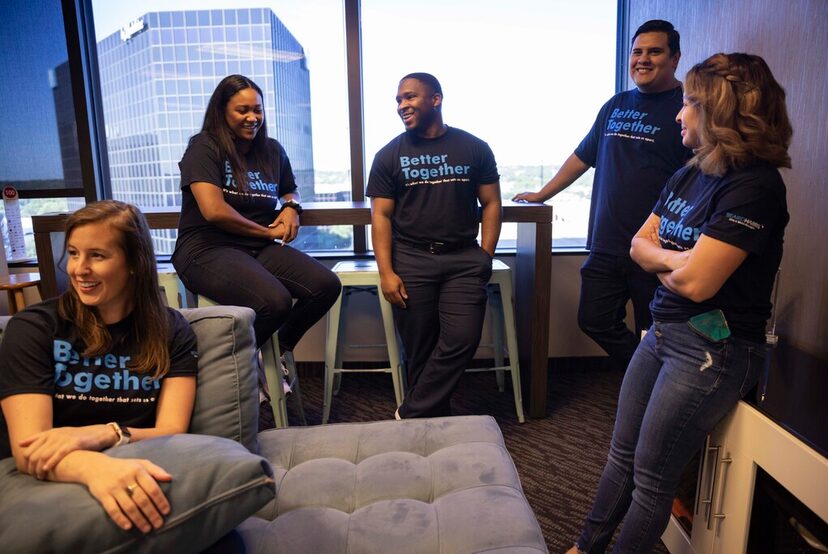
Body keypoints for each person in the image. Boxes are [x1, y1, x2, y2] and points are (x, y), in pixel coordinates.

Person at [569, 52, 792, 553]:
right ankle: (584, 548)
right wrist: (683, 258)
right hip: (663, 331)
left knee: (651, 476)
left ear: (719, 111)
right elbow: (638, 245)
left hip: (715, 349)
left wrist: (673, 263)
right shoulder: (692, 172)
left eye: (689, 103)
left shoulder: (755, 187)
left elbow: (697, 287)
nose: (678, 114)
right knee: (620, 455)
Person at [0, 200, 199, 534]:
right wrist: (95, 468)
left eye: (97, 255)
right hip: (44, 476)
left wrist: (106, 432)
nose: (79, 269)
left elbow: (173, 429)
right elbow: (29, 449)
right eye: (74, 253)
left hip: (135, 463)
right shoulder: (34, 327)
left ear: (135, 262)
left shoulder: (171, 330)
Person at [514, 20, 690, 371]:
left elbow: (698, 180)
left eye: (654, 51)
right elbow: (583, 157)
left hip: (657, 246)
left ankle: (650, 393)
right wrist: (542, 193)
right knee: (593, 318)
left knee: (653, 330)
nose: (643, 59)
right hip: (607, 241)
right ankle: (645, 375)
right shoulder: (616, 105)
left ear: (674, 59)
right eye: (637, 52)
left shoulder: (686, 108)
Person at [172, 75, 341, 387]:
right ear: (222, 111)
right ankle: (231, 373)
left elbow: (290, 189)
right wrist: (266, 233)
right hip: (206, 248)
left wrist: (292, 207)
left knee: (326, 285)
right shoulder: (204, 147)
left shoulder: (272, 151)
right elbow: (214, 210)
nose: (253, 118)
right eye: (242, 110)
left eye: (258, 110)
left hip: (254, 248)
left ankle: (273, 351)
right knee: (274, 301)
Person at [367, 72, 502, 419]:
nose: (402, 105)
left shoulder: (474, 148)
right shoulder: (388, 155)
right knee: (420, 348)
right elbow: (380, 217)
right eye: (398, 100)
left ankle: (409, 413)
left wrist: (485, 254)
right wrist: (386, 272)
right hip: (411, 258)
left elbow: (491, 204)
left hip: (463, 259)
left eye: (409, 97)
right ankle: (429, 423)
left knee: (462, 338)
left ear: (436, 99)